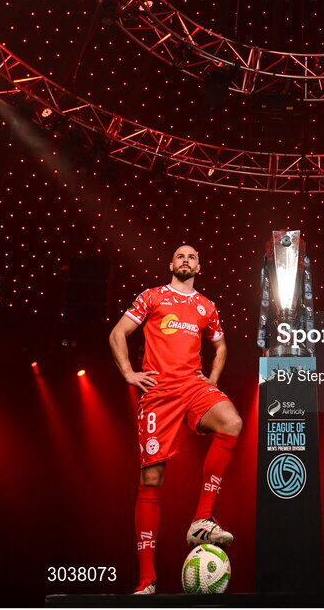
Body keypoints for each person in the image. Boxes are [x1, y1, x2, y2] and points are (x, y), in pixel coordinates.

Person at [109, 244, 242, 595]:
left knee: (231, 422)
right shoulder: (152, 297)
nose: (186, 260)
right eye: (180, 256)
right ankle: (146, 581)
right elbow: (118, 333)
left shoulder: (207, 306)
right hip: (159, 393)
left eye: (192, 257)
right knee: (152, 479)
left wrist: (212, 379)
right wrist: (128, 373)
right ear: (171, 264)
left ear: (199, 266)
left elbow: (222, 346)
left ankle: (201, 519)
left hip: (193, 386)